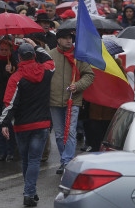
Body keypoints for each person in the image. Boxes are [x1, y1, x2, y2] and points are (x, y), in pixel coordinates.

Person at [0, 43, 55, 207]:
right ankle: (29, 191)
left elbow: (9, 103)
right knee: (34, 161)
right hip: (42, 124)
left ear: (19, 58)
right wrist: (36, 46)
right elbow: (50, 59)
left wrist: (4, 122)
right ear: (34, 56)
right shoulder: (46, 71)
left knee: (26, 160)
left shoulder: (15, 77)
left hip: (22, 126)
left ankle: (29, 192)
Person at [48, 29, 94, 174]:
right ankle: (64, 159)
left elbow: (89, 75)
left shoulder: (78, 56)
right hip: (54, 100)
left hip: (72, 100)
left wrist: (78, 85)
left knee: (71, 132)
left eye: (71, 38)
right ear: (58, 40)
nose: (69, 40)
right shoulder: (50, 56)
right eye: (66, 38)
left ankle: (67, 162)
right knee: (60, 134)